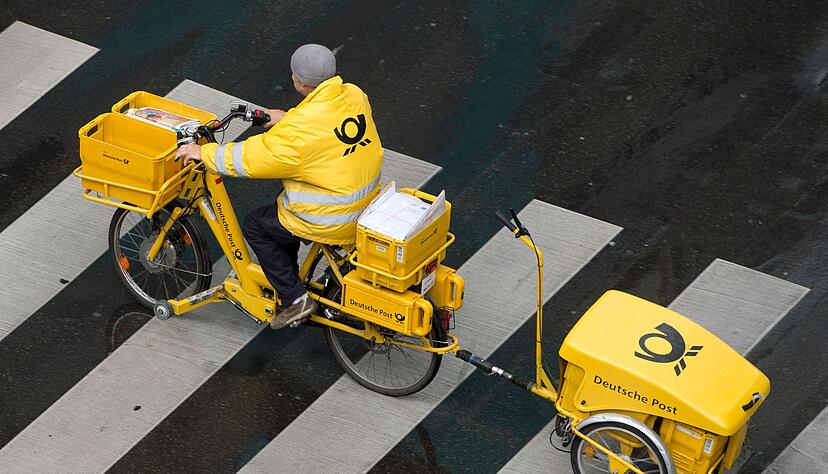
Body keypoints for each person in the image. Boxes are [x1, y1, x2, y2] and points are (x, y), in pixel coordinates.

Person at [174, 44, 384, 329]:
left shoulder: (298, 131)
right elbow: (324, 127)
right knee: (281, 212)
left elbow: (253, 158)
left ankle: (295, 299)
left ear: (299, 81)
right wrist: (286, 118)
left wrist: (205, 153)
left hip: (332, 216)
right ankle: (289, 278)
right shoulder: (354, 95)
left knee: (257, 225)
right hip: (368, 201)